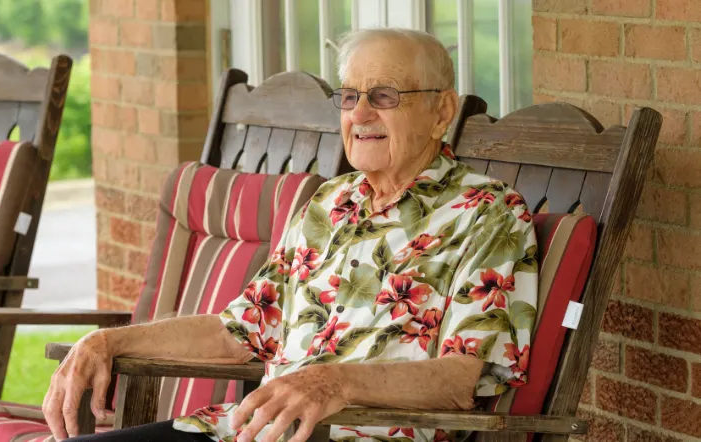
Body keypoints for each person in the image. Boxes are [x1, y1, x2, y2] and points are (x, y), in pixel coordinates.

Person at [46, 28, 538, 442]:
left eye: (385, 96)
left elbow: (458, 379)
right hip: (243, 431)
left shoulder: (488, 214)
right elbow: (236, 333)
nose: (361, 115)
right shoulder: (331, 202)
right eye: (349, 97)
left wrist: (332, 382)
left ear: (441, 111)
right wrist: (107, 340)